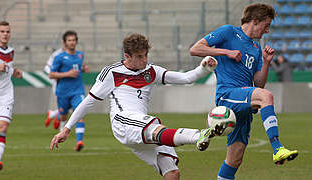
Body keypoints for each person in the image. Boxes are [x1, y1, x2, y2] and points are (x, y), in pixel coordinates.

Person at [50, 33, 219, 179]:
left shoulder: (151, 71)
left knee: (172, 172)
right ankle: (198, 136)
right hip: (123, 122)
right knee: (156, 129)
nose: (144, 60)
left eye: (145, 55)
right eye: (139, 56)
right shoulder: (112, 72)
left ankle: (199, 136)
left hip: (141, 130)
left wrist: (203, 68)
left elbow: (186, 79)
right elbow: (89, 101)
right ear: (127, 56)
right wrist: (67, 129)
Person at [190, 3, 298, 180]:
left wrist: (266, 62)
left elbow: (258, 85)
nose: (267, 31)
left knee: (235, 159)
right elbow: (195, 49)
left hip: (245, 103)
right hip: (228, 95)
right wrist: (226, 52)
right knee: (267, 96)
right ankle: (277, 147)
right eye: (266, 25)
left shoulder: (256, 49)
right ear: (255, 21)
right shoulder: (228, 32)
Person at [49, 30, 89, 151]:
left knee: (80, 114)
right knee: (63, 117)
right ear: (64, 42)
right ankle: (57, 116)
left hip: (78, 91)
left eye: (73, 40)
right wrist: (67, 74)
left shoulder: (80, 55)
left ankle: (79, 141)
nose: (72, 43)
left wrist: (83, 69)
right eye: (69, 40)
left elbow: (76, 68)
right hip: (63, 92)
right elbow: (51, 75)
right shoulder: (59, 57)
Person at [0, 21, 23, 174]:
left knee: (2, 127)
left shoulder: (11, 51)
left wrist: (14, 71)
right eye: (2, 31)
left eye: (8, 31)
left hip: (4, 95)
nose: (5, 34)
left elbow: (7, 68)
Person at [44, 47, 63, 129]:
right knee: (63, 106)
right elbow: (47, 68)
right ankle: (62, 129)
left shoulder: (75, 54)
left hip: (71, 84)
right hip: (59, 83)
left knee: (67, 107)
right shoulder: (56, 54)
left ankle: (52, 114)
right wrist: (54, 75)